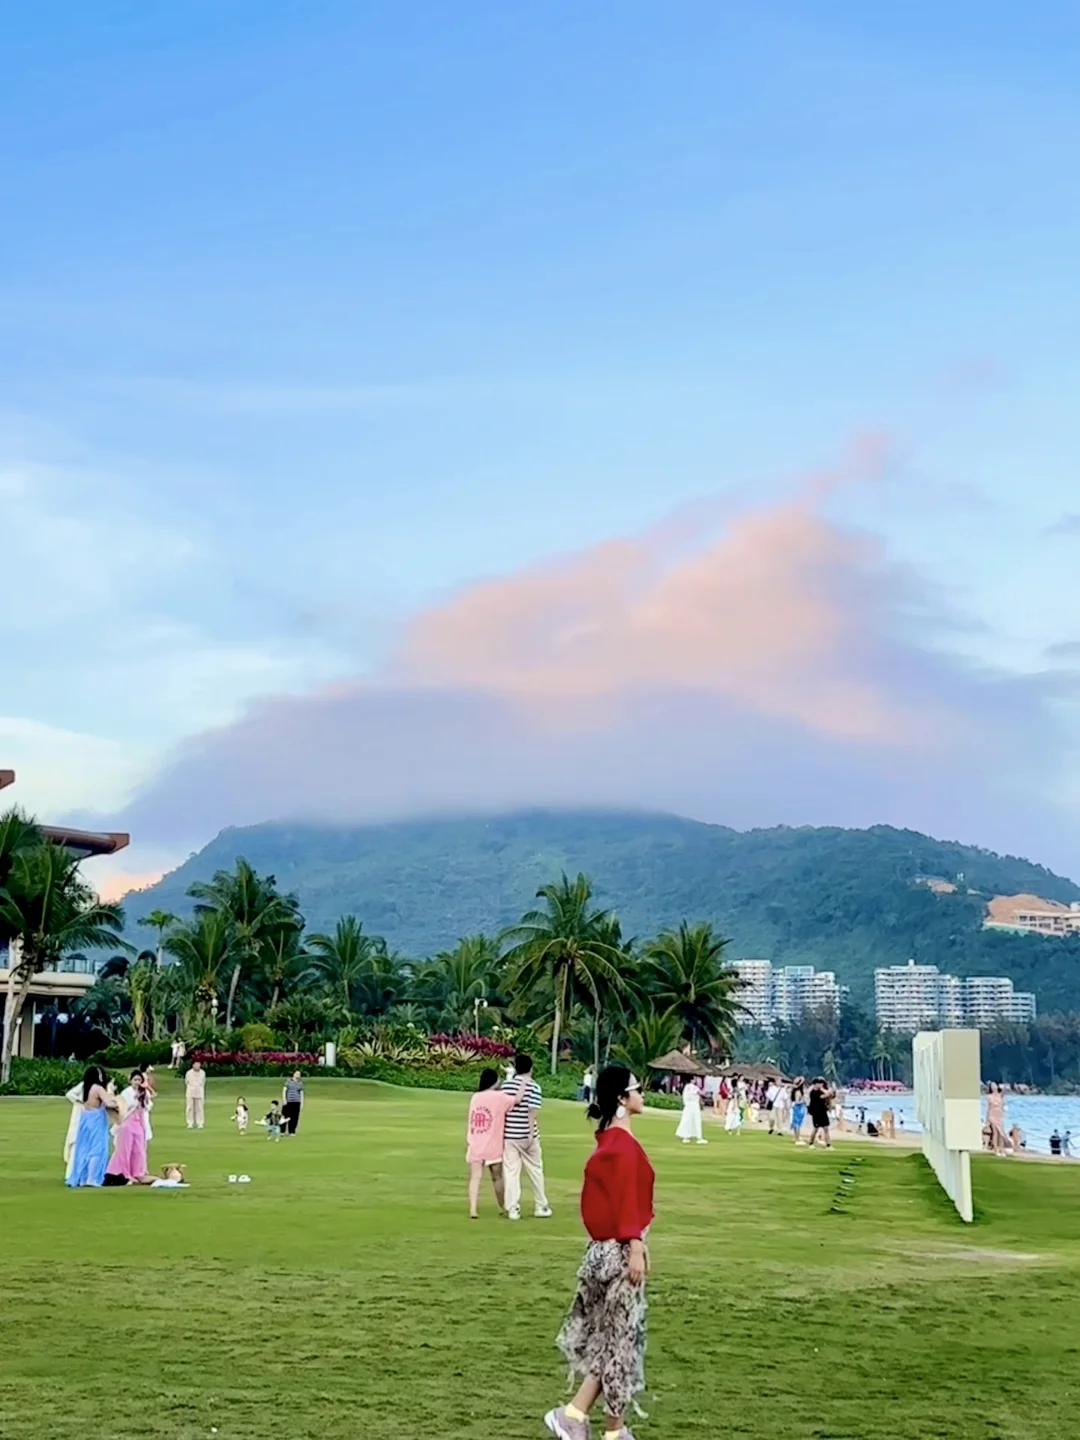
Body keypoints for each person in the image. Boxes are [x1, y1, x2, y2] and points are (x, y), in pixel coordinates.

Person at [545, 1066, 654, 1440]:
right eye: (636, 1089)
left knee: (610, 1340)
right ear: (623, 1099)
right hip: (619, 1252)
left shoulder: (608, 1142)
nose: (643, 1094)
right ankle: (610, 1430)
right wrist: (636, 1245)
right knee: (620, 1344)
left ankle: (579, 1415)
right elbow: (627, 1202)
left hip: (600, 1251)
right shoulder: (622, 1147)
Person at [466, 1067, 529, 1218]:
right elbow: (517, 1100)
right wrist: (524, 1083)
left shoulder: (475, 1097)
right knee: (497, 1177)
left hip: (475, 1142)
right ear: (494, 1082)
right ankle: (503, 1206)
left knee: (475, 1177)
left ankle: (473, 1209)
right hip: (493, 1144)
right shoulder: (500, 1097)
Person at [500, 1052, 552, 1220]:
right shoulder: (534, 1087)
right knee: (535, 1170)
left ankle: (513, 1208)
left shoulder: (506, 1087)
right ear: (531, 1068)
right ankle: (541, 1205)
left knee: (511, 1172)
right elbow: (532, 1112)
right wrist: (529, 1132)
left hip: (510, 1135)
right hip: (527, 1135)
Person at [66, 1066, 119, 1187]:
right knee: (97, 1149)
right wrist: (116, 1102)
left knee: (84, 1148)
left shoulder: (86, 1087)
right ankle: (92, 1178)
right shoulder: (98, 1088)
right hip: (96, 1119)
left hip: (85, 1118)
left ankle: (82, 1178)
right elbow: (108, 1103)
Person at [105, 1072, 154, 1185]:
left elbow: (148, 1106)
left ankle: (138, 1171)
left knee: (139, 1149)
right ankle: (124, 1173)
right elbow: (122, 1108)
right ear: (130, 1080)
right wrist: (134, 1100)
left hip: (139, 1123)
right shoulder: (126, 1093)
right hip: (127, 1124)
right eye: (135, 1080)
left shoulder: (143, 1092)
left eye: (139, 1080)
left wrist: (143, 1097)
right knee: (125, 1149)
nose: (137, 1082)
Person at [675, 1077, 707, 1144]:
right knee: (697, 1120)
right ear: (692, 1080)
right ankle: (699, 1138)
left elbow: (684, 1097)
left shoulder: (686, 1087)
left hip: (687, 1105)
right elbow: (702, 1093)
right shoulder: (694, 1087)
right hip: (694, 1105)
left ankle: (686, 1137)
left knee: (687, 1120)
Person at [806, 1078, 833, 1149]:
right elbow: (826, 1094)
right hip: (816, 1112)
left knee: (826, 1128)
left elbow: (829, 1095)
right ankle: (811, 1143)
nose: (821, 1085)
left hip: (823, 1111)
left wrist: (824, 1090)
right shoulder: (813, 1093)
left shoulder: (820, 1091)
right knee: (815, 1128)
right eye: (820, 1083)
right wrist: (823, 1090)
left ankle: (828, 1144)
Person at [986, 1083, 1008, 1156]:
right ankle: (996, 1150)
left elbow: (1004, 1091)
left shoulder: (1000, 1095)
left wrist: (1004, 1085)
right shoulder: (989, 1096)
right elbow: (988, 1108)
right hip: (992, 1115)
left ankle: (1002, 1149)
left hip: (1000, 1115)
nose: (994, 1087)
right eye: (992, 1086)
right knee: (995, 1133)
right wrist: (987, 1119)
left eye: (995, 1086)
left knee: (1001, 1133)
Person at [184, 1059, 206, 1130]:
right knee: (190, 1108)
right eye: (196, 1064)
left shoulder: (202, 1073)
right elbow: (186, 1082)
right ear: (193, 1065)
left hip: (199, 1092)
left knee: (199, 1108)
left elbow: (203, 1082)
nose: (197, 1066)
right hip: (190, 1092)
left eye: (198, 1064)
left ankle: (200, 1123)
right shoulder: (188, 1073)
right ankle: (190, 1123)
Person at [282, 1070, 304, 1135]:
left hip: (296, 1102)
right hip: (288, 1102)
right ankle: (282, 1131)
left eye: (299, 1074)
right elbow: (284, 1091)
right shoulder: (288, 1081)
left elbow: (301, 1093)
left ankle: (292, 1131)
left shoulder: (300, 1083)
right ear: (294, 1074)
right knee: (285, 1116)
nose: (298, 1075)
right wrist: (284, 1100)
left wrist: (302, 1103)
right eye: (297, 1074)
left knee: (294, 1118)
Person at [790, 1077, 807, 1145]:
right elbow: (797, 1102)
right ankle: (797, 1139)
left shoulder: (794, 1090)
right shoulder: (798, 1092)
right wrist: (803, 1100)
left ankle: (796, 1137)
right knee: (797, 1124)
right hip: (798, 1108)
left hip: (797, 1108)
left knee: (796, 1123)